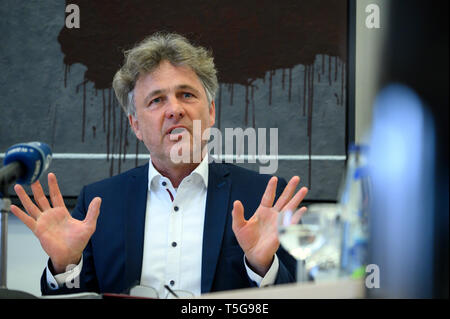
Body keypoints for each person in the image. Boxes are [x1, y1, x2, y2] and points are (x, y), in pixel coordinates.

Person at [11, 32, 308, 297]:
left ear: (211, 111)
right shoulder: (98, 203)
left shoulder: (262, 197)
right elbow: (74, 295)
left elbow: (297, 294)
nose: (175, 110)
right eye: (156, 100)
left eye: (186, 95)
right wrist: (65, 265)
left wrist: (262, 265)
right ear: (135, 124)